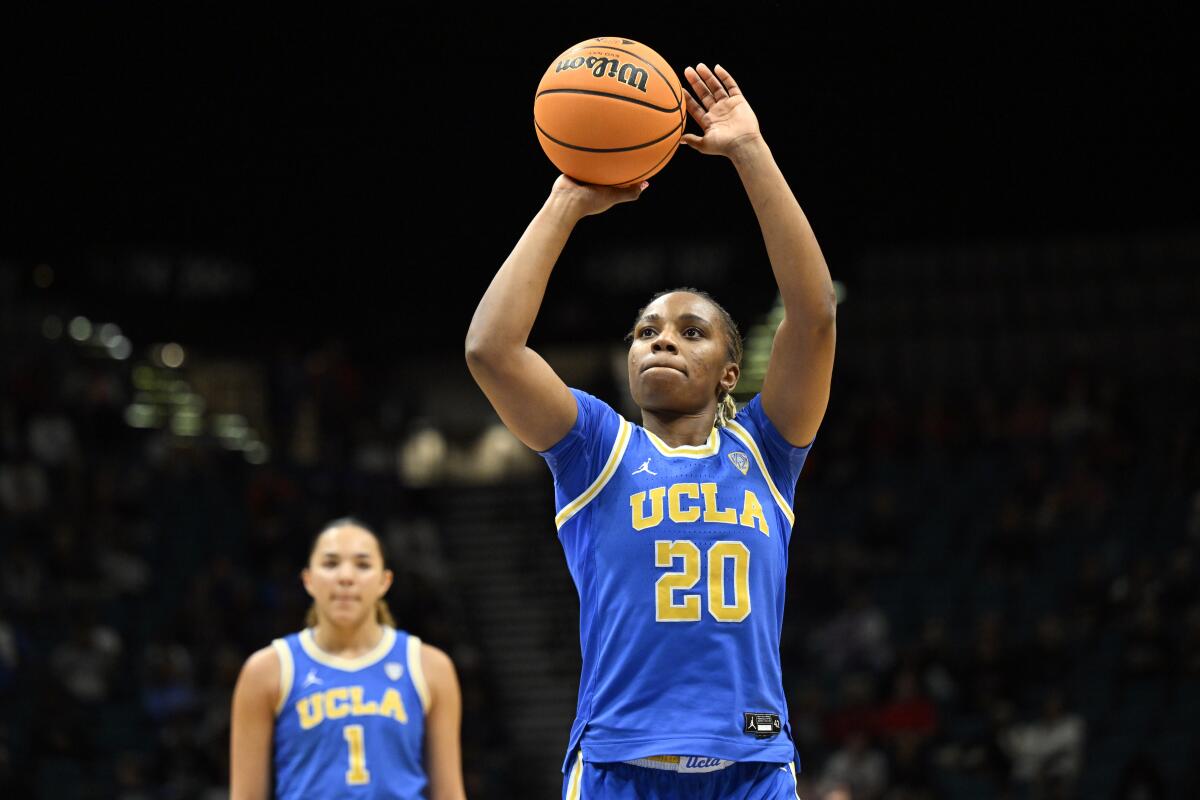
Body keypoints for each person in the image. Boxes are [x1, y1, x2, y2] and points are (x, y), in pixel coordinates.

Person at [466, 62, 835, 799]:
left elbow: (815, 311)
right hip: (617, 764)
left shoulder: (767, 449)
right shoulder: (596, 450)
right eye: (645, 330)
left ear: (731, 371)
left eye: (691, 331)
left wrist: (749, 151)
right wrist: (565, 200)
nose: (660, 340)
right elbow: (490, 350)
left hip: (753, 764)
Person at [229, 518, 466, 800]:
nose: (346, 577)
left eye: (363, 565)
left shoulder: (429, 667)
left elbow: (449, 794)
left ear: (384, 581)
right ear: (308, 580)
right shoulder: (267, 670)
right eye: (330, 564)